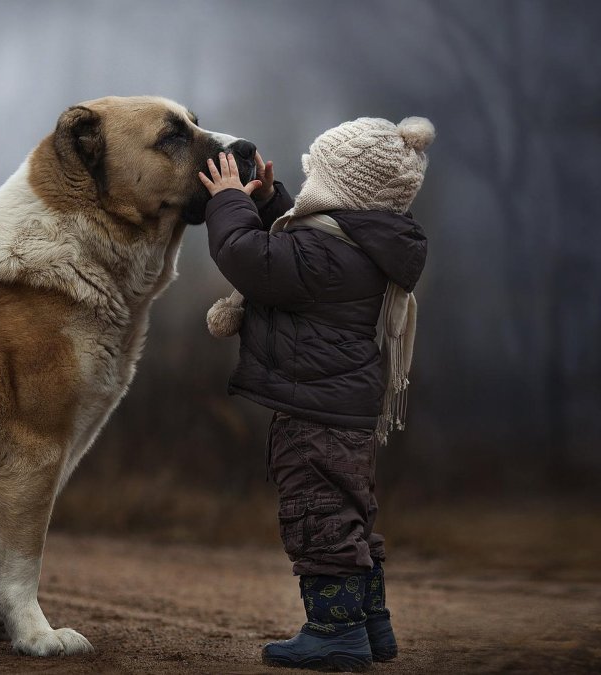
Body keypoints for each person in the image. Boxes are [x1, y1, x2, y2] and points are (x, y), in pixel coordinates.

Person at [197, 116, 434, 671]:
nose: (307, 187)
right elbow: (295, 246)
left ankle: (335, 633)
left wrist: (228, 202)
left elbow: (248, 256)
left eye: (316, 176)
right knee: (350, 515)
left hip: (314, 413)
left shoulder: (326, 257)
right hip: (343, 409)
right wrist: (267, 201)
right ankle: (370, 625)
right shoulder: (358, 244)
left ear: (339, 188)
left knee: (318, 516)